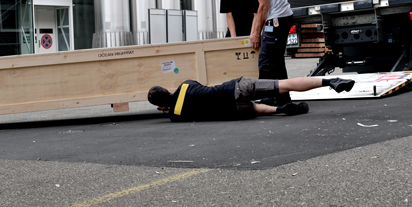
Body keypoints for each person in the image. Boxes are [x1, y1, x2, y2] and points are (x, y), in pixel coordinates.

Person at [148, 76, 356, 122]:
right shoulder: (185, 84)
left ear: (161, 105)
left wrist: (167, 108)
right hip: (234, 89)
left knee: (254, 108)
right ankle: (330, 82)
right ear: (167, 88)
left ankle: (281, 110)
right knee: (281, 85)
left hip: (234, 112)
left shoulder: (175, 115)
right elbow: (198, 88)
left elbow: (176, 110)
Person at [234, 0, 294, 104]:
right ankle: (282, 98)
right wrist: (254, 31)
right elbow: (260, 8)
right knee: (276, 62)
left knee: (267, 61)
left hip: (277, 21)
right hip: (280, 19)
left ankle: (269, 98)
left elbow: (263, 7)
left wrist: (256, 33)